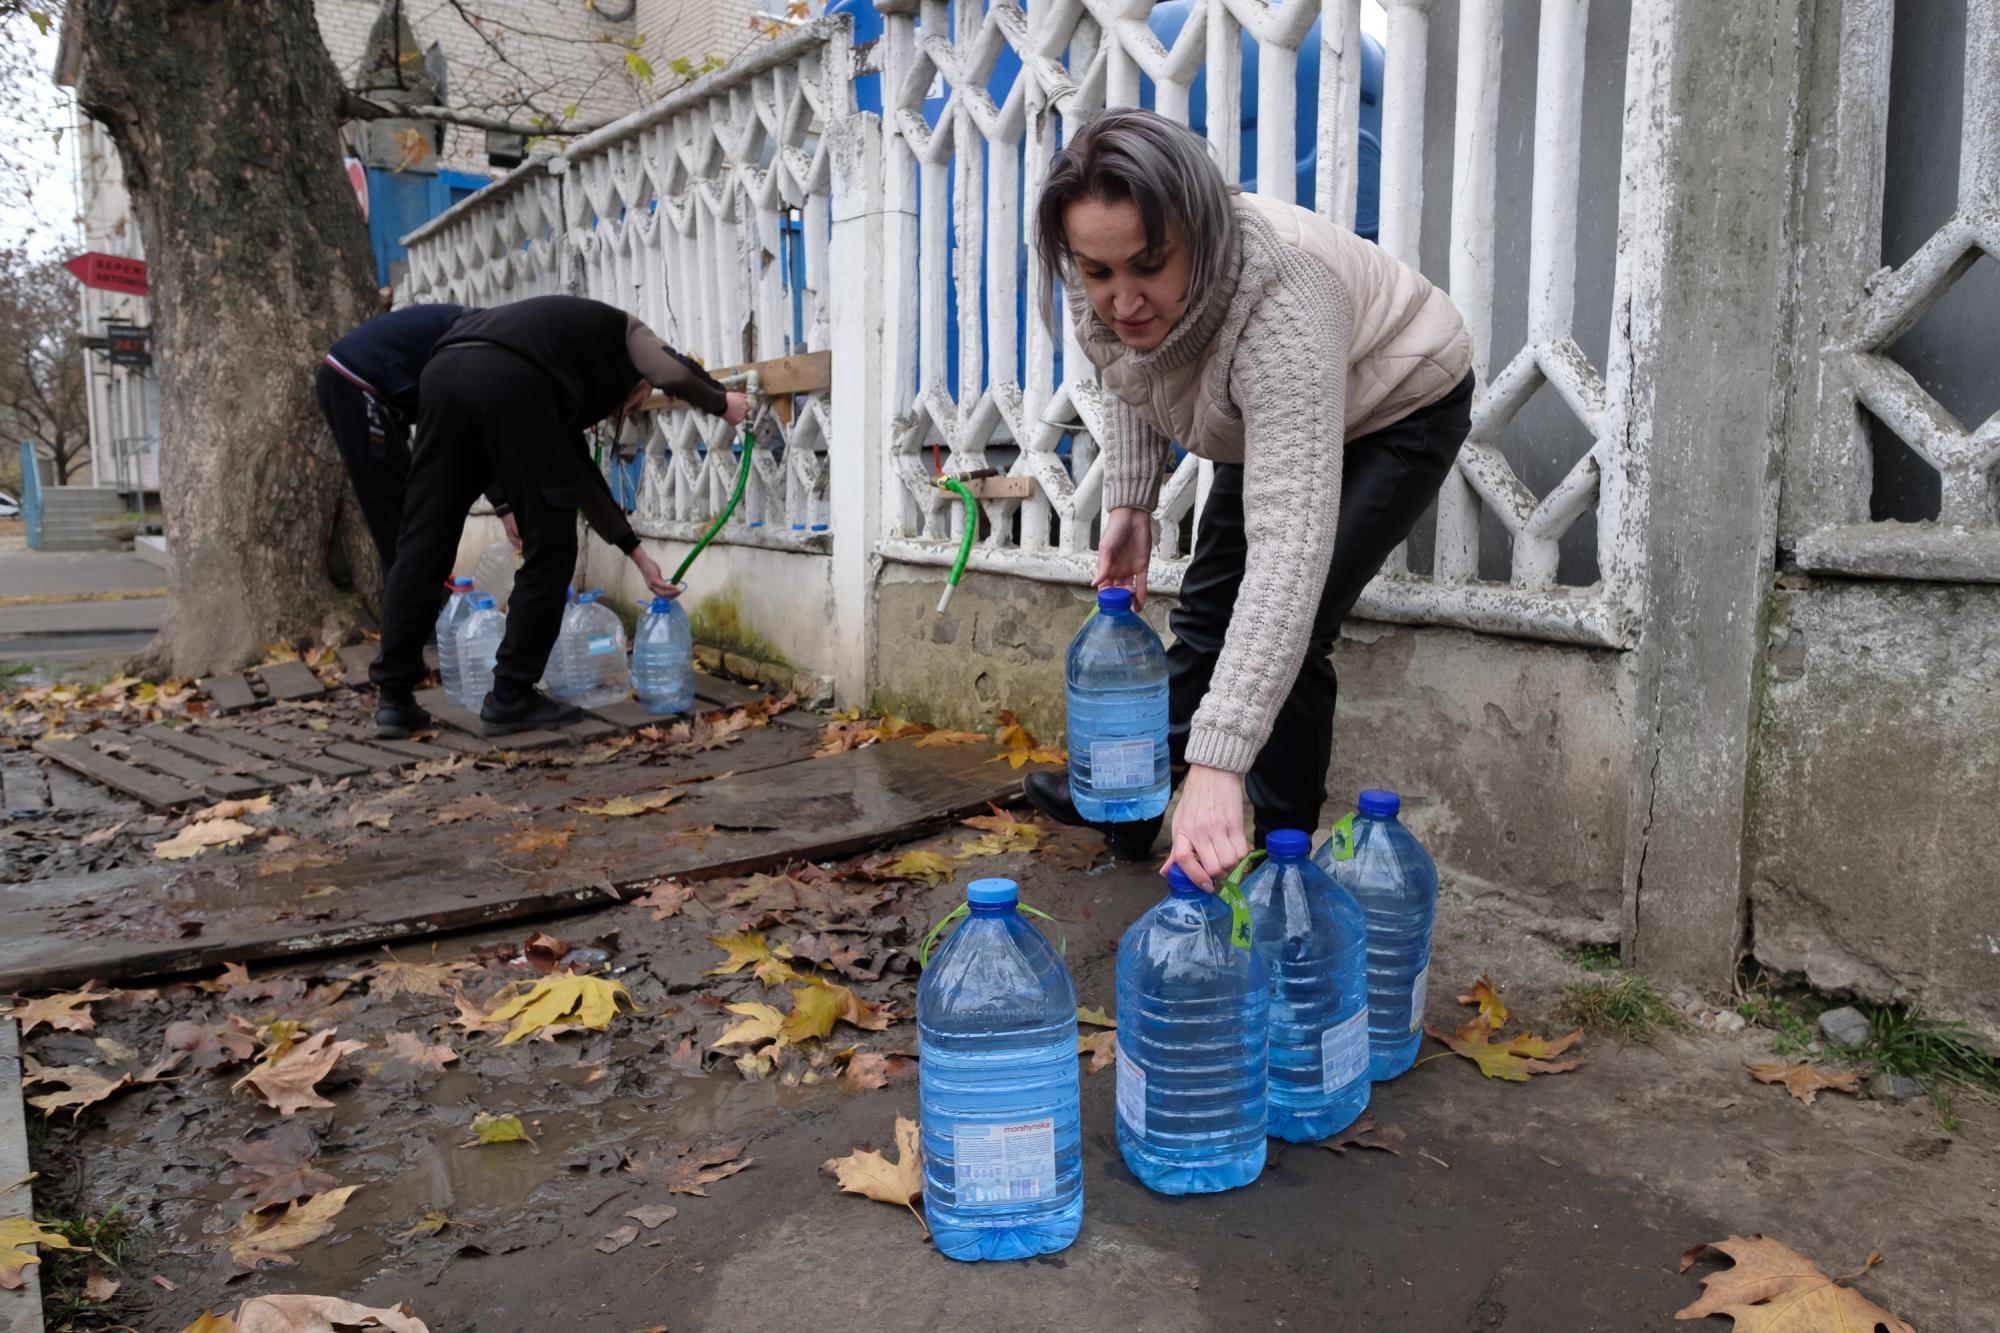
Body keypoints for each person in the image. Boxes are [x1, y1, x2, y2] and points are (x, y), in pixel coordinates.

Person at [1022, 108, 1474, 890]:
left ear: (1199, 235)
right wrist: (1130, 503)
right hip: (1262, 404)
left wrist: (1222, 761)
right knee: (1206, 611)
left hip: (1398, 401)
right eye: (1098, 274)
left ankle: (1276, 863)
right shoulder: (1097, 262)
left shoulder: (1284, 298)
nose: (1121, 299)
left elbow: (1285, 566)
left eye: (1148, 266)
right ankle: (1132, 801)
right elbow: (1130, 369)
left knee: (1297, 622)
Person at [368, 294, 748, 739]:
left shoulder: (557, 354)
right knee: (550, 548)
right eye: (634, 401)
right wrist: (722, 403)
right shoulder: (627, 331)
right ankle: (510, 695)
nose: (622, 411)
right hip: (509, 381)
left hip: (440, 376)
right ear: (638, 380)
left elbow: (578, 476)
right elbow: (674, 372)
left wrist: (637, 555)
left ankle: (393, 699)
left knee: (423, 543)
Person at [316, 303, 520, 568]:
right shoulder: (480, 344)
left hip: (382, 393)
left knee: (410, 509)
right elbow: (472, 428)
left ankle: (419, 587)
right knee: (393, 517)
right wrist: (505, 505)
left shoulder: (490, 347)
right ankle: (410, 591)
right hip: (354, 382)